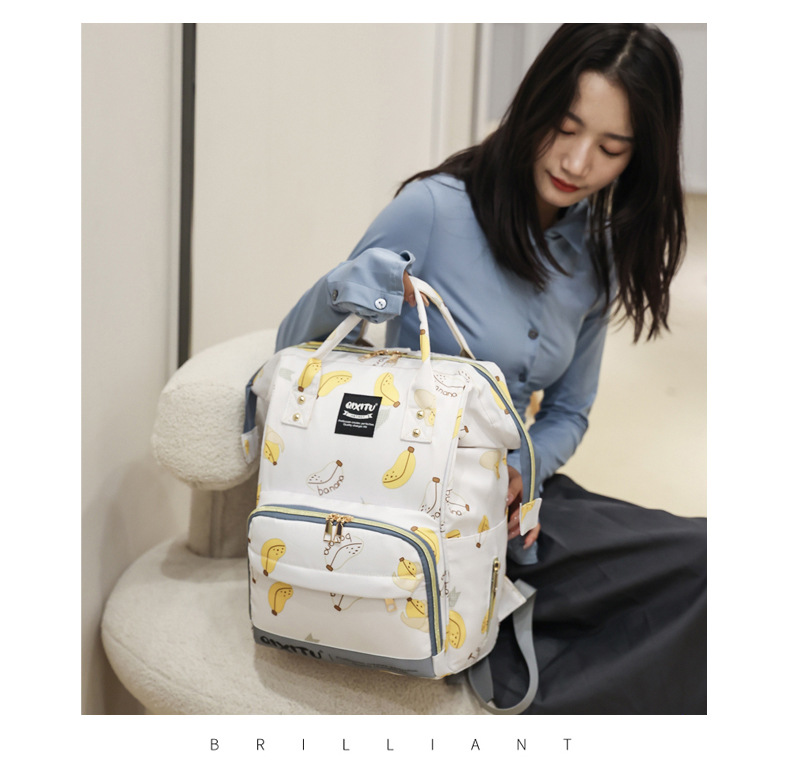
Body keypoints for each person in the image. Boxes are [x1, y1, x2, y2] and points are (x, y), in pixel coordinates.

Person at [275, 23, 706, 714]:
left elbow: (569, 411)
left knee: (705, 563)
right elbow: (297, 355)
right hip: (409, 510)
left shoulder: (595, 260)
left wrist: (521, 471)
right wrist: (346, 288)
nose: (577, 161)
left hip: (515, 511)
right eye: (565, 127)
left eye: (611, 148)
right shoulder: (433, 210)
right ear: (535, 104)